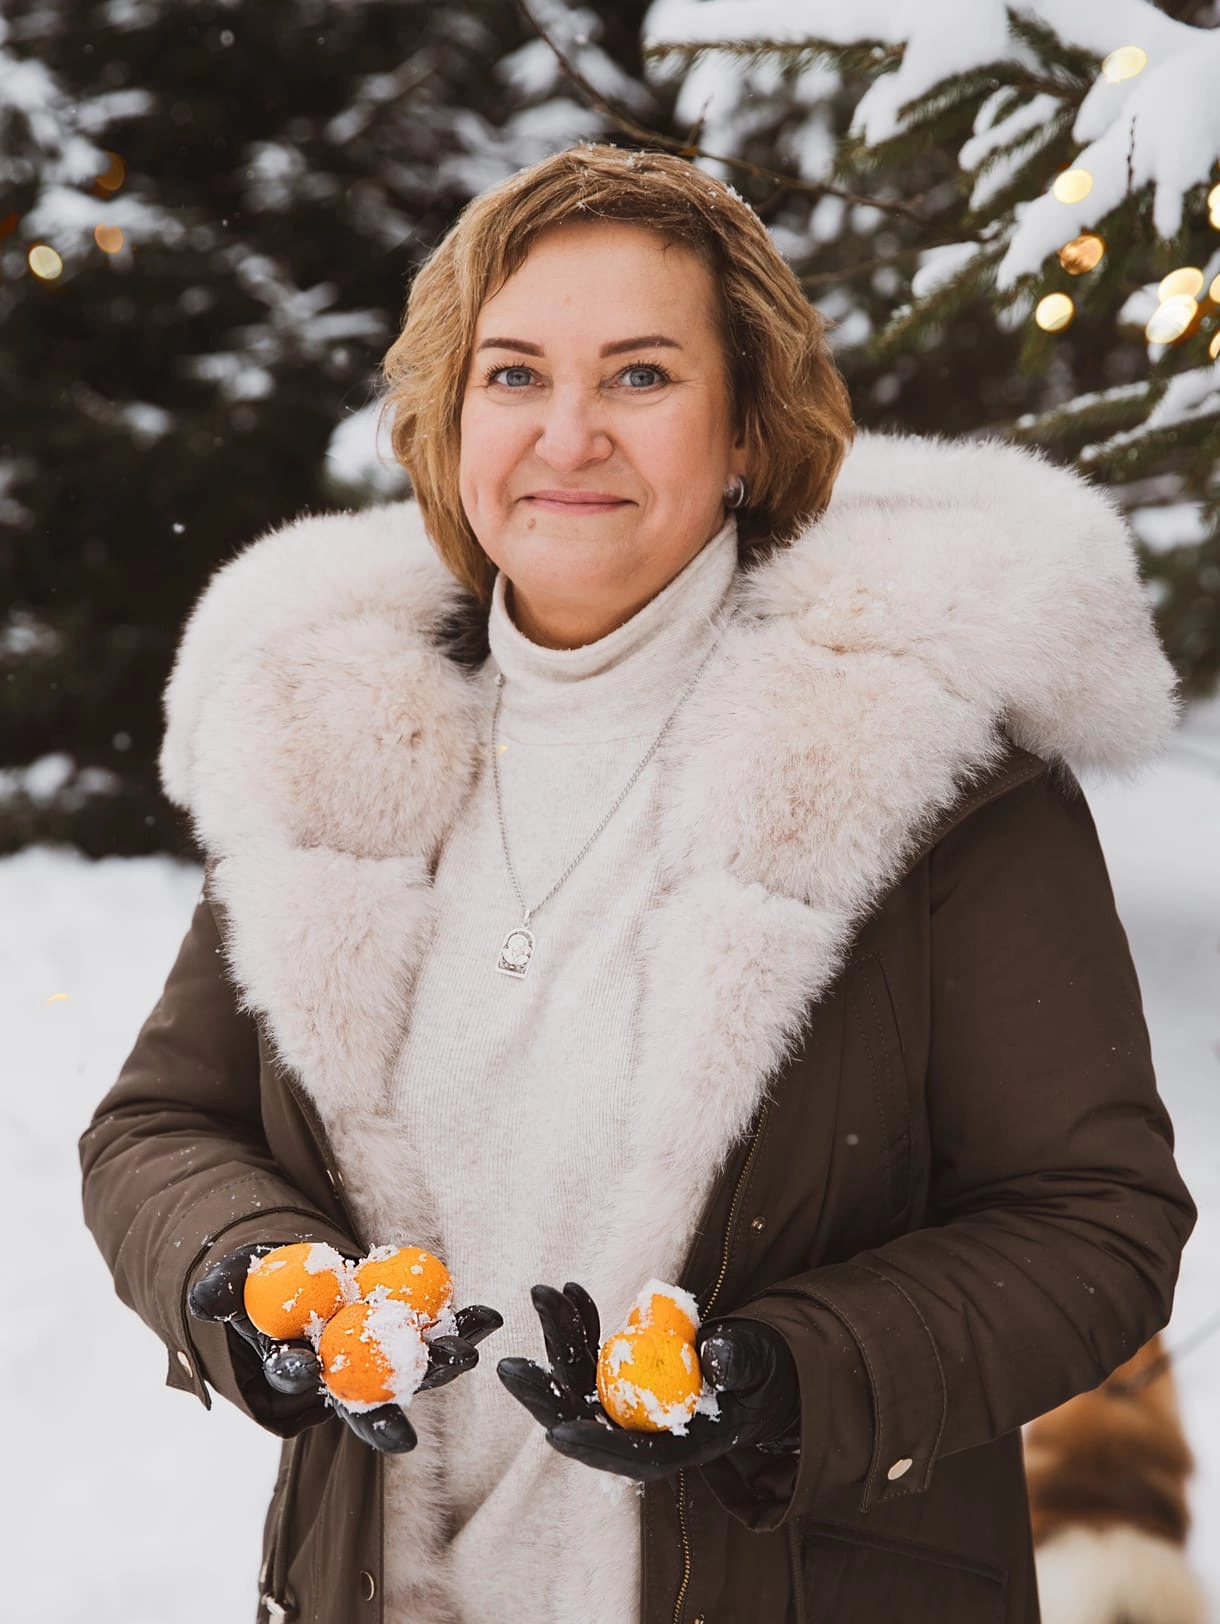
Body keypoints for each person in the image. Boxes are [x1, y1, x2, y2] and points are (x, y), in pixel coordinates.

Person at [80, 143, 1195, 1624]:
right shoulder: (327, 736)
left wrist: (787, 1375)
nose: (569, 434)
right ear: (449, 421)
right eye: (514, 375)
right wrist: (255, 1275)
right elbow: (161, 1128)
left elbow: (1094, 1221)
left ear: (747, 430)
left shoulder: (929, 766)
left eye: (642, 376)